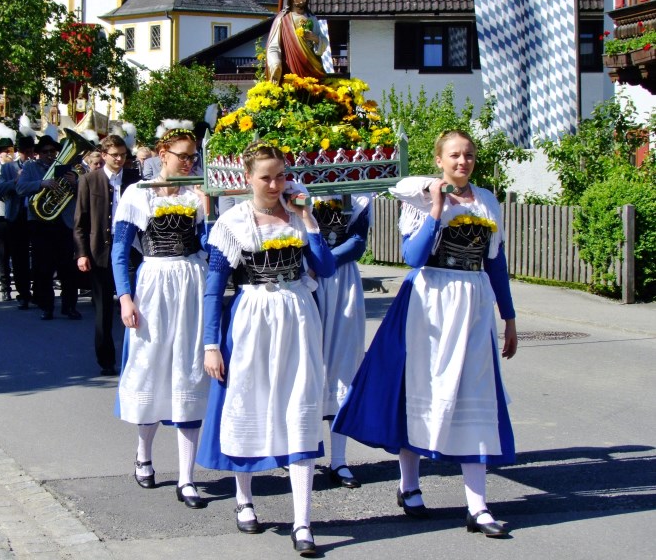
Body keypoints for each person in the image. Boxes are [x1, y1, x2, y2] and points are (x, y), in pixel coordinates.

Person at [333, 130, 518, 538]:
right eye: (454, 155)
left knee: (474, 394)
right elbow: (413, 257)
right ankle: (410, 484)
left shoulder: (486, 201)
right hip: (429, 304)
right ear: (439, 160)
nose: (462, 162)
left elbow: (496, 263)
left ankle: (478, 506)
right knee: (421, 392)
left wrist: (509, 317)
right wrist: (435, 208)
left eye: (468, 155)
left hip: (472, 307)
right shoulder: (420, 197)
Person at [197, 141, 335, 556]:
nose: (274, 184)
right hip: (253, 316)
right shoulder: (233, 222)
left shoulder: (297, 217)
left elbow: (326, 268)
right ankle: (244, 499)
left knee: (300, 406)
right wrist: (210, 345)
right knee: (249, 403)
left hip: (297, 314)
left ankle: (303, 521)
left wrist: (307, 217)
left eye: (280, 175)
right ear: (247, 179)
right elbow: (214, 289)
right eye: (265, 177)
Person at [110, 128, 210, 509]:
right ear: (163, 153)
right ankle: (144, 453)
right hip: (152, 282)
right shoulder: (139, 193)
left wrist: (209, 210)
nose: (190, 162)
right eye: (183, 155)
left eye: (193, 156)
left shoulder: (195, 194)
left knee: (190, 370)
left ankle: (187, 478)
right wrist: (125, 297)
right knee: (149, 367)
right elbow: (121, 249)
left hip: (191, 281)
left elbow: (210, 248)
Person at [312, 193, 371, 489]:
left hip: (341, 279)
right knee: (306, 365)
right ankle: (300, 453)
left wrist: (324, 261)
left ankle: (339, 460)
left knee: (343, 365)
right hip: (303, 278)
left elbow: (358, 242)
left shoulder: (358, 194)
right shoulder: (292, 186)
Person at [74, 134, 140, 376]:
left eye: (123, 155)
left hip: (131, 248)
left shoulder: (135, 179)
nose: (120, 159)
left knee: (135, 304)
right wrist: (82, 253)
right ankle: (106, 360)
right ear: (103, 155)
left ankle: (136, 357)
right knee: (103, 310)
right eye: (115, 155)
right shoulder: (89, 180)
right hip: (100, 250)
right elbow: (80, 222)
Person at [16, 134, 81, 320]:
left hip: (64, 222)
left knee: (68, 268)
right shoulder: (30, 167)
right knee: (44, 268)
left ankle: (69, 306)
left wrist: (74, 184)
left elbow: (81, 194)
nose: (49, 154)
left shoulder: (69, 169)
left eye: (53, 151)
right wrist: (41, 183)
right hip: (40, 223)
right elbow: (20, 189)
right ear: (38, 153)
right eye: (45, 152)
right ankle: (47, 306)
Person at [266, 0, 329, 84]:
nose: (301, 1)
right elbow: (273, 46)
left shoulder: (311, 18)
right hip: (290, 68)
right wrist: (275, 63)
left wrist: (315, 38)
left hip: (311, 67)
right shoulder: (282, 19)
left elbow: (323, 41)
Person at [0, 137, 32, 309]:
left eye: (31, 151)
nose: (28, 155)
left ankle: (37, 291)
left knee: (38, 257)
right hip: (16, 216)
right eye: (25, 151)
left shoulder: (36, 167)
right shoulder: (8, 168)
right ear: (19, 151)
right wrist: (15, 181)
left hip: (35, 215)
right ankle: (23, 293)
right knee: (19, 258)